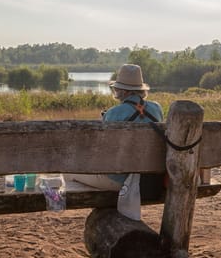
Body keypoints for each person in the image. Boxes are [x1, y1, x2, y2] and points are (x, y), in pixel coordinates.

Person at [65, 64, 163, 220]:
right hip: (149, 179)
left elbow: (100, 151)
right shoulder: (157, 109)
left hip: (120, 180)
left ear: (121, 91)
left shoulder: (113, 113)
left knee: (68, 172)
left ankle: (107, 210)